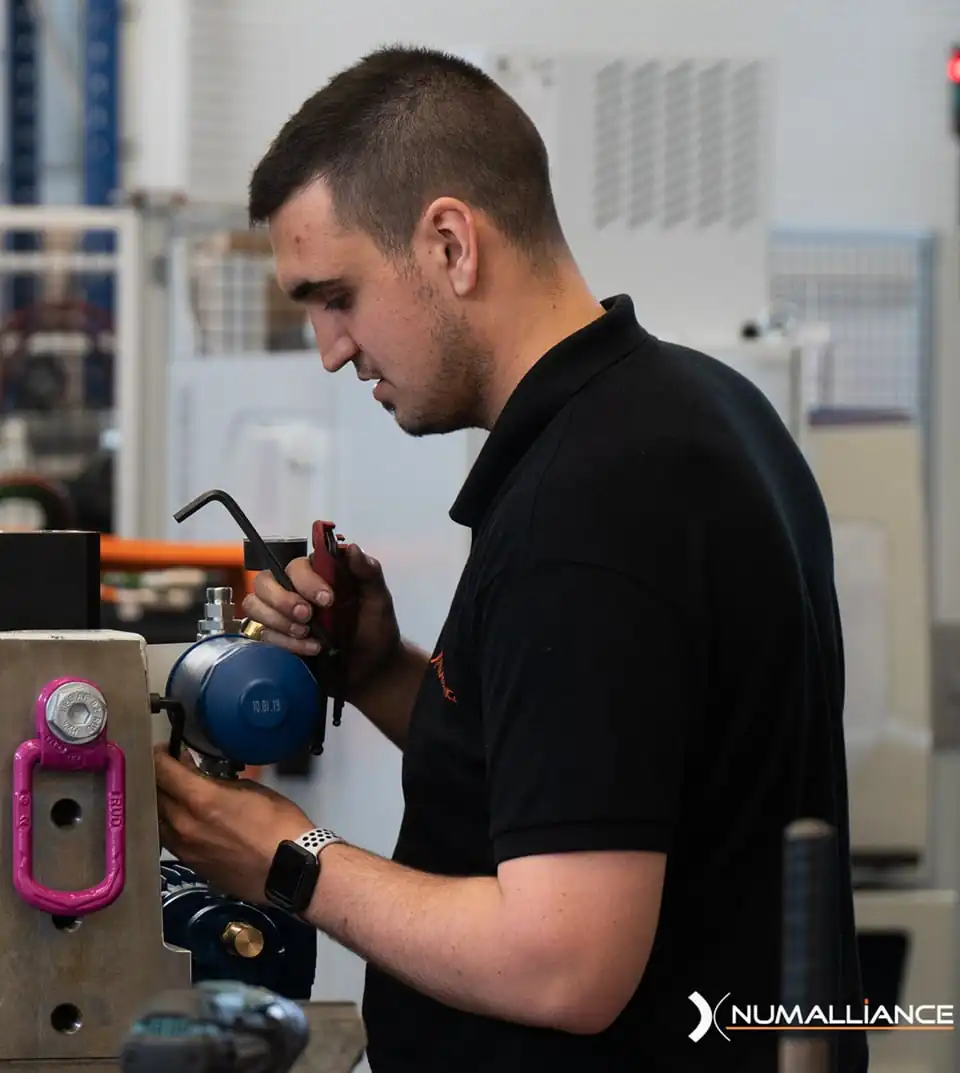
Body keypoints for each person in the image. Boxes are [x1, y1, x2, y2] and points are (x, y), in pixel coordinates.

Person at [154, 44, 868, 1073]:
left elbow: (565, 965)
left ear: (450, 242)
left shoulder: (590, 503)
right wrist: (381, 669)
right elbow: (595, 771)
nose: (329, 348)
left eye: (336, 294)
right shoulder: (697, 410)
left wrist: (285, 856)